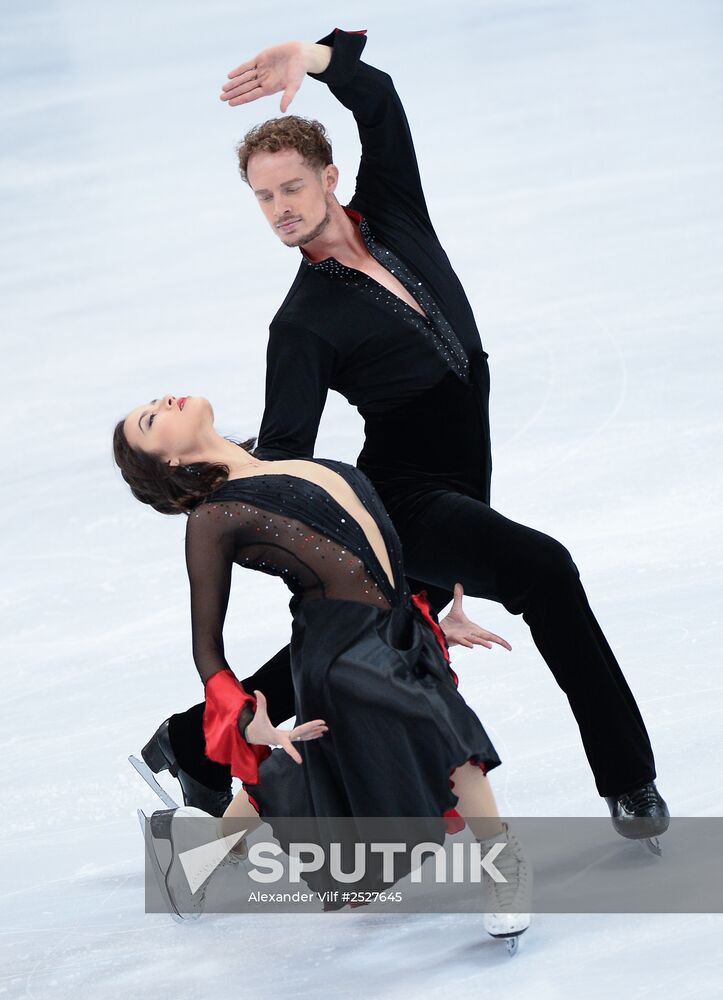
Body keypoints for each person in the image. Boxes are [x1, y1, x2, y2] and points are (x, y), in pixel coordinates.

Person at [143, 28, 668, 842]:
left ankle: (189, 747)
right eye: (263, 197)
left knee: (378, 626)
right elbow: (286, 452)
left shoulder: (392, 211)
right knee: (544, 571)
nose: (280, 209)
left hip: (458, 481)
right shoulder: (302, 323)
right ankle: (629, 781)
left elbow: (380, 105)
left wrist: (312, 58)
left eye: (291, 187)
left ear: (328, 178)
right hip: (406, 498)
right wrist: (221, 484)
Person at [114, 392, 531, 940]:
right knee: (441, 725)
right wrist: (243, 721)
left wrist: (427, 619)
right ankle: (504, 866)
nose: (164, 402)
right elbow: (206, 648)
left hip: (397, 627)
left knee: (314, 764)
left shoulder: (284, 461)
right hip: (340, 649)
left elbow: (369, 550)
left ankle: (199, 858)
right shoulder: (213, 518)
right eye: (151, 419)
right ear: (167, 461)